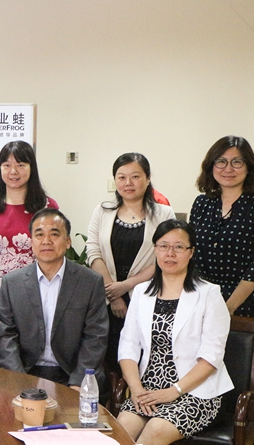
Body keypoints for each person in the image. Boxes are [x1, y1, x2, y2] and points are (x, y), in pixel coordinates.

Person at [117, 219, 232, 444]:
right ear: (155, 249)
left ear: (191, 252)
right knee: (122, 429)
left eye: (179, 247)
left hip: (195, 392)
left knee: (156, 430)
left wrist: (174, 390)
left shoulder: (209, 294)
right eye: (163, 246)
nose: (170, 253)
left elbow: (212, 356)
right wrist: (136, 389)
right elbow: (128, 346)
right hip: (148, 390)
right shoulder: (141, 292)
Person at [0, 208, 109, 393]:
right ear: (31, 241)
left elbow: (95, 337)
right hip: (27, 372)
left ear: (68, 241)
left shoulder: (90, 282)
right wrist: (20, 380)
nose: (46, 241)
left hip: (71, 373)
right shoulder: (12, 283)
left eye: (54, 234)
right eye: (39, 235)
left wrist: (78, 382)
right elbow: (5, 337)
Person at [86, 153, 175, 374]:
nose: (128, 183)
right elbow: (93, 252)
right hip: (106, 297)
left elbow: (165, 257)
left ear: (148, 178)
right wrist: (114, 293)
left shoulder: (164, 213)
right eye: (122, 177)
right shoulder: (102, 211)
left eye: (135, 176)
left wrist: (126, 286)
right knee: (107, 357)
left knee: (143, 356)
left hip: (147, 295)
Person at [0, 140, 58, 363]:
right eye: (7, 165)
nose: (13, 171)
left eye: (20, 165)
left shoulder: (47, 207)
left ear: (31, 168)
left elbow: (55, 253)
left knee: (36, 351)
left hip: (38, 286)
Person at [190, 135, 254, 317]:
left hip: (241, 303)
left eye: (237, 162)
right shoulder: (201, 203)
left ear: (249, 167)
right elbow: (190, 253)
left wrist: (228, 308)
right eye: (221, 161)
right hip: (199, 297)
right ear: (211, 166)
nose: (228, 169)